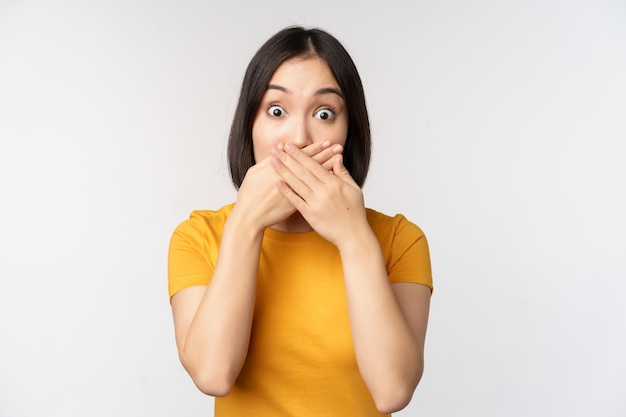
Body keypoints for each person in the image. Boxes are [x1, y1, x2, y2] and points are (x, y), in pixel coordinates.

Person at [168, 25, 433, 417]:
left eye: (324, 113)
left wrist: (354, 239)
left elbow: (392, 391)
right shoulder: (198, 237)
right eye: (277, 111)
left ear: (348, 130)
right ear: (250, 126)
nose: (298, 136)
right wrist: (245, 225)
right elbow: (213, 375)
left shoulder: (399, 239)